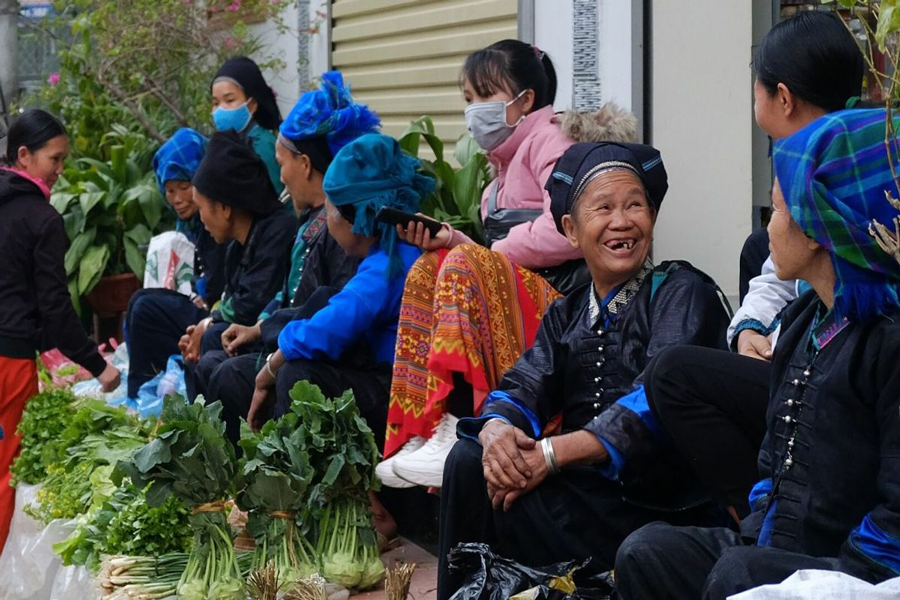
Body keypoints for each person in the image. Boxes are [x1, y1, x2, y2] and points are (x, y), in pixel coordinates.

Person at [616, 107, 900, 600]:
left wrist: (819, 577)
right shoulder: (800, 322)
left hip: (851, 569)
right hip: (775, 547)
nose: (767, 229)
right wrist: (759, 531)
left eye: (778, 213)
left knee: (738, 577)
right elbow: (772, 461)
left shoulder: (889, 341)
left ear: (815, 230)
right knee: (645, 551)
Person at [437, 142, 732, 600]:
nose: (622, 221)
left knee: (515, 490)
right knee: (471, 461)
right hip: (587, 496)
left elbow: (653, 401)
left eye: (635, 204)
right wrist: (497, 432)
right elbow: (524, 384)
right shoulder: (568, 312)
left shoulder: (680, 289)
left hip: (661, 505)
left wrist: (550, 456)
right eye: (605, 208)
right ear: (572, 230)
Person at [380, 39, 640, 488]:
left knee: (461, 263)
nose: (474, 110)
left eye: (485, 96)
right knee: (429, 265)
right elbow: (499, 257)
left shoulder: (550, 140)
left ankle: (461, 421)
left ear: (525, 100)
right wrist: (453, 240)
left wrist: (485, 254)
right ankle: (427, 425)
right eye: (468, 99)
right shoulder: (497, 173)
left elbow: (569, 227)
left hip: (568, 304)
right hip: (522, 297)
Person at [641, 10, 866, 521]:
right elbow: (775, 271)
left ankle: (761, 516)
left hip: (838, 374)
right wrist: (748, 330)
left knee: (672, 375)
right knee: (753, 251)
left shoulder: (825, 173)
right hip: (823, 347)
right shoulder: (858, 150)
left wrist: (776, 340)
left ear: (782, 97)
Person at [194, 71, 377, 445]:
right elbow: (291, 296)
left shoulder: (340, 228)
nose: (280, 174)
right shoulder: (309, 220)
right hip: (290, 338)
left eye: (282, 163)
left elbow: (329, 308)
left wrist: (268, 336)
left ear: (305, 164)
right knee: (216, 350)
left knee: (225, 371)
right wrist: (259, 329)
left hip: (320, 358)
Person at [245, 133, 431, 451]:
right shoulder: (402, 249)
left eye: (329, 210)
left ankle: (305, 487)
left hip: (403, 396)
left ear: (355, 220)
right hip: (398, 382)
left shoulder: (390, 265)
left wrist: (268, 371)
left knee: (297, 375)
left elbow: (334, 324)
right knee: (320, 301)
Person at [0, 109, 120, 551]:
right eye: (55, 159)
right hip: (7, 364)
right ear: (25, 155)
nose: (60, 170)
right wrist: (97, 365)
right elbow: (55, 307)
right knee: (6, 469)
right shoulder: (41, 219)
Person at [125, 128, 228, 397]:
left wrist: (205, 299)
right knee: (138, 300)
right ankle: (141, 387)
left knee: (146, 308)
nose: (178, 199)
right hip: (204, 302)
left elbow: (222, 279)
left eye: (185, 187)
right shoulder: (189, 222)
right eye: (170, 190)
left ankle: (140, 391)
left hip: (221, 314)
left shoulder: (217, 214)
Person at [211, 56, 284, 196]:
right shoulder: (230, 143)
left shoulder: (262, 146)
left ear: (251, 105)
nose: (220, 110)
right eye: (215, 103)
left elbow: (273, 199)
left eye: (229, 100)